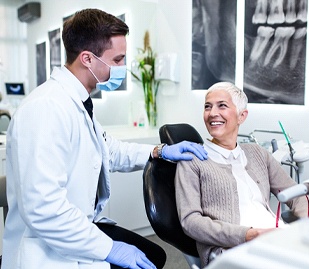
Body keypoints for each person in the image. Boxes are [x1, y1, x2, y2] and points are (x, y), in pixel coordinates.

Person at [2, 8, 207, 269]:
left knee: (154, 256)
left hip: (77, 230)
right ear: (87, 58)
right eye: (118, 59)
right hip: (47, 249)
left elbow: (107, 149)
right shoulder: (44, 109)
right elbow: (44, 210)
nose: (122, 68)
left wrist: (159, 151)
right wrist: (109, 249)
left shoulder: (77, 101)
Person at [175, 82, 309, 267]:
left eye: (222, 106)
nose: (212, 113)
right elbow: (191, 222)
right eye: (207, 107)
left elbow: (297, 193)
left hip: (276, 238)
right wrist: (248, 234)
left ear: (242, 116)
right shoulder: (192, 160)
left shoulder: (257, 153)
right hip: (231, 249)